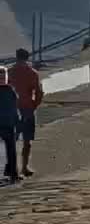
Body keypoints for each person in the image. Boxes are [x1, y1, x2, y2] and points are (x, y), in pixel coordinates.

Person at [9, 49, 42, 177]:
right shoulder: (32, 73)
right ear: (27, 58)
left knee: (10, 140)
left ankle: (12, 168)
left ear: (16, 57)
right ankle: (24, 167)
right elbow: (38, 93)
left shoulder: (9, 72)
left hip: (11, 109)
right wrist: (34, 105)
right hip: (27, 108)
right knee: (27, 140)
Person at [0, 67, 19, 183]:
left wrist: (17, 120)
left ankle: (13, 173)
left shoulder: (10, 90)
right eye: (0, 77)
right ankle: (12, 173)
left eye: (3, 77)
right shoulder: (10, 90)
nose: (2, 79)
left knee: (11, 150)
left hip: (9, 124)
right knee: (10, 149)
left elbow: (14, 107)